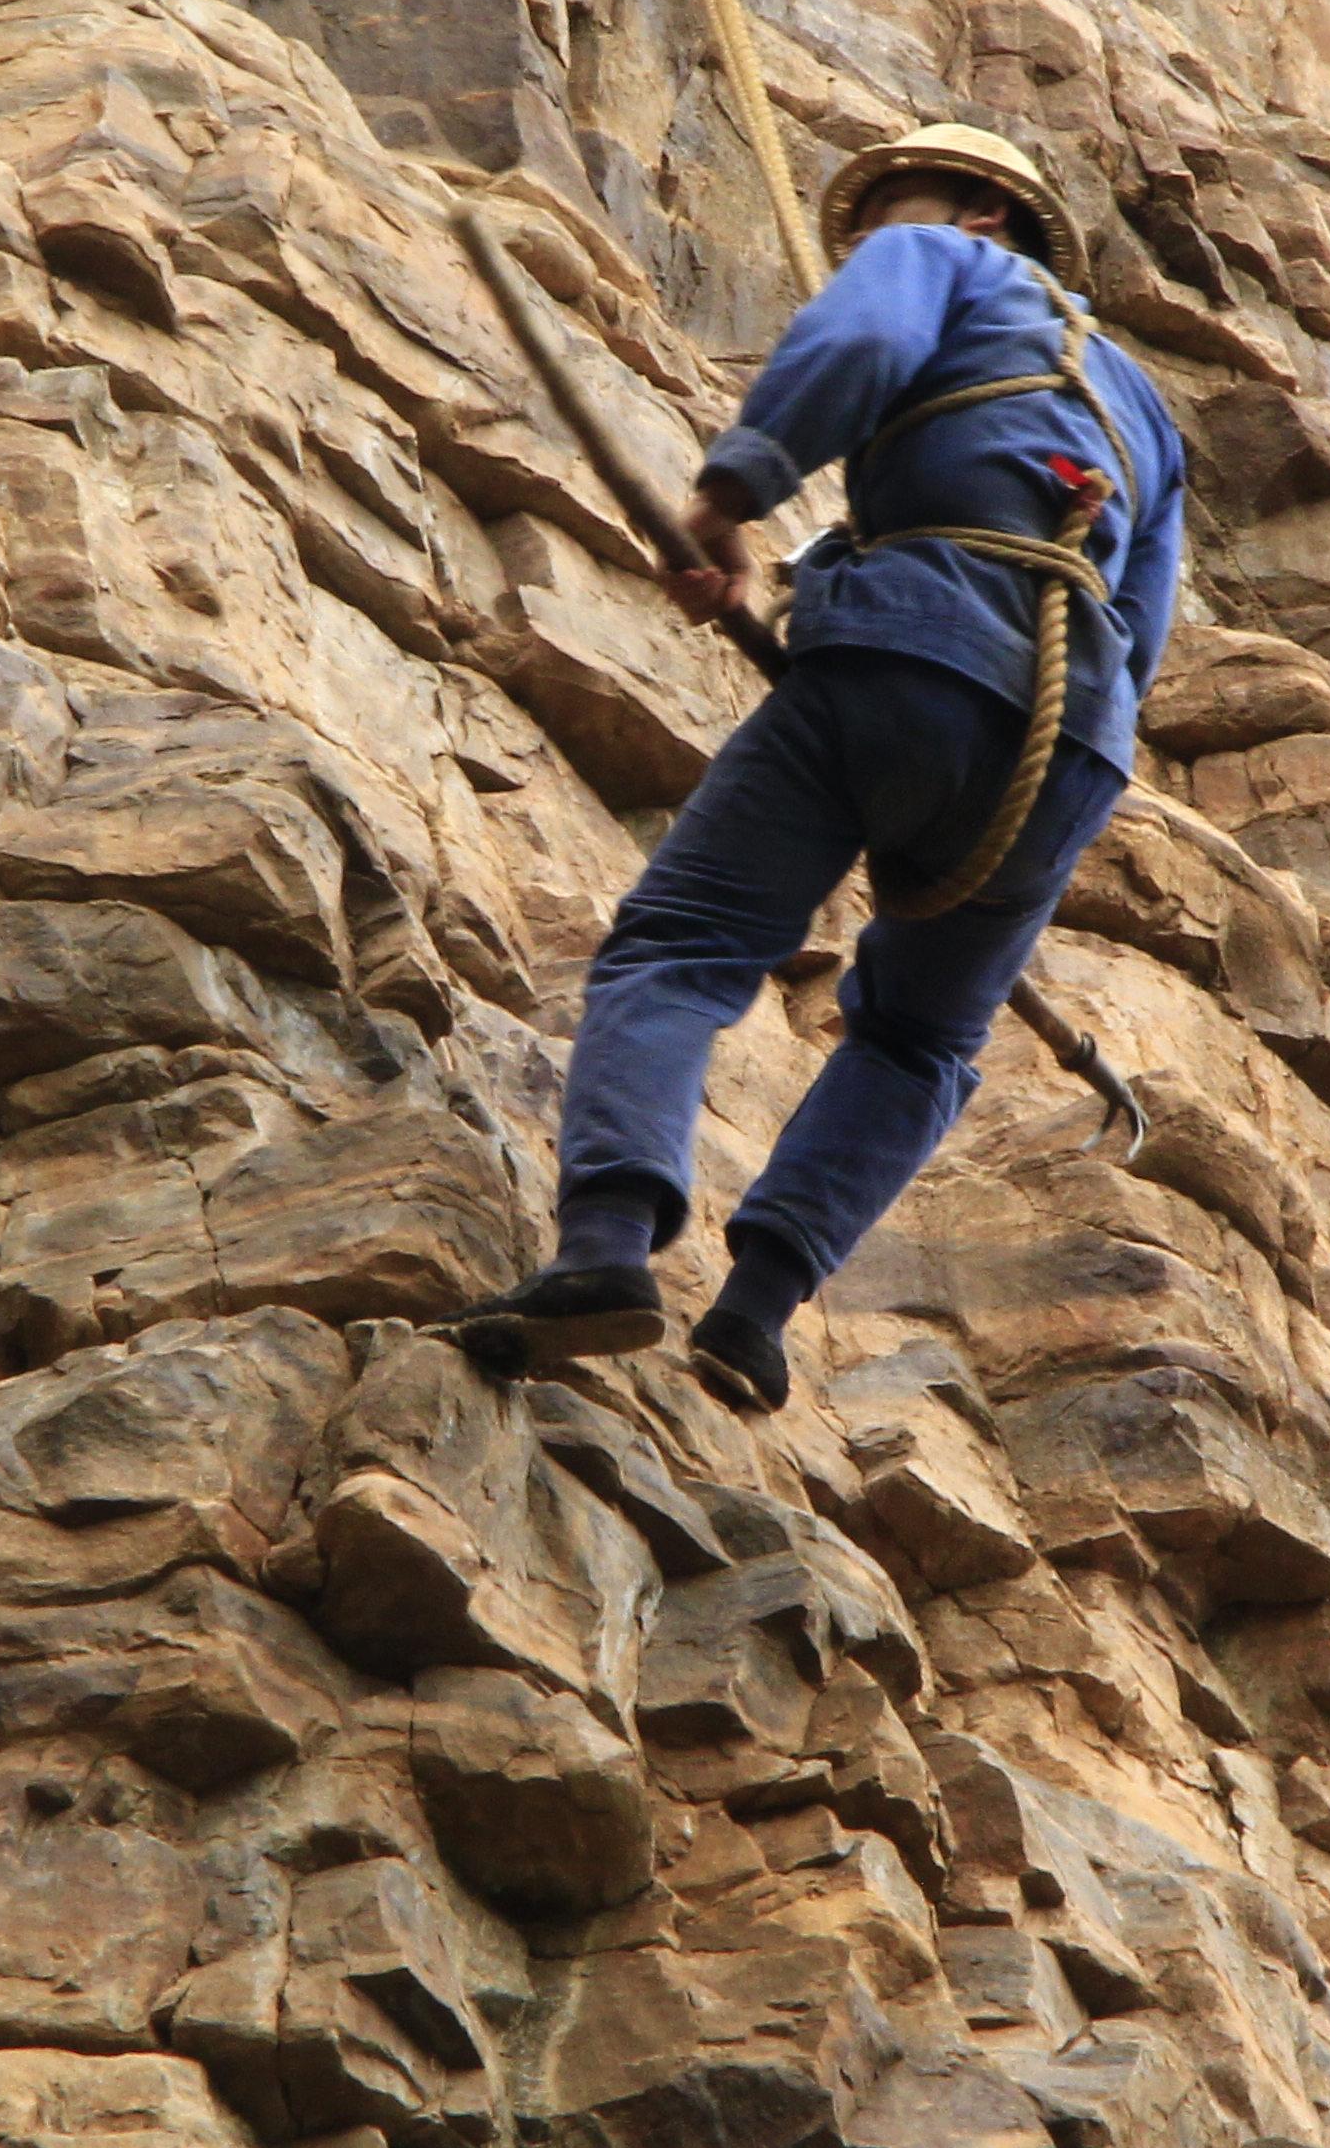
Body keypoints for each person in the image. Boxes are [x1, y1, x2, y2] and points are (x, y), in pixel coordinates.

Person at [465, 123, 1189, 1413]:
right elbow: (1146, 617)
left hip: (907, 651)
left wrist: (728, 501)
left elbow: (853, 348)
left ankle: (606, 1252)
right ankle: (754, 1314)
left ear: (979, 214)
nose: (856, 243)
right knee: (919, 1039)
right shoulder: (1143, 412)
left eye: (884, 212)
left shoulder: (937, 257)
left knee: (680, 944)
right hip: (1072, 744)